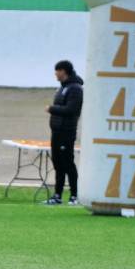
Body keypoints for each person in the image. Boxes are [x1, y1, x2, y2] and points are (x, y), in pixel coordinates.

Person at [44, 59, 83, 205]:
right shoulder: (62, 88)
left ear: (63, 72)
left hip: (67, 132)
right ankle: (57, 195)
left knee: (68, 163)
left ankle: (74, 195)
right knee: (58, 163)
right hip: (57, 131)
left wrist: (52, 109)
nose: (55, 74)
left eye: (57, 71)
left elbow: (72, 109)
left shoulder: (75, 89)